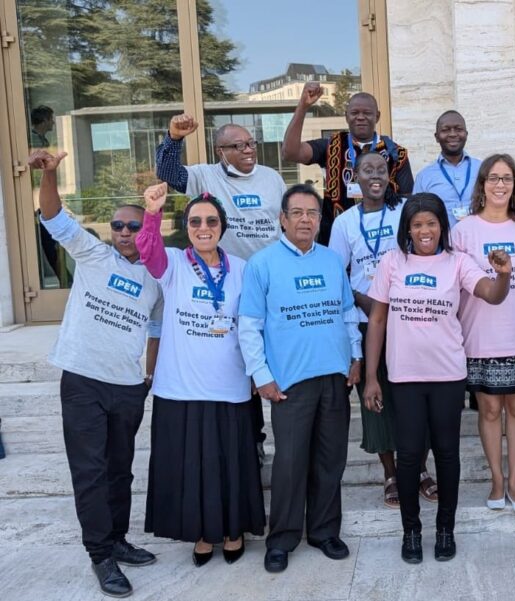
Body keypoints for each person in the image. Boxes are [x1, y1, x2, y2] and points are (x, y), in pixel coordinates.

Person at [29, 150, 162, 598]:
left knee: (120, 469)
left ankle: (119, 539)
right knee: (90, 470)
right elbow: (53, 216)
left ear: (147, 231)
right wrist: (50, 173)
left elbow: (157, 332)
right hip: (83, 380)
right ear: (111, 231)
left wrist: (148, 379)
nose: (126, 232)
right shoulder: (91, 254)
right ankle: (100, 554)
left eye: (135, 226)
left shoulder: (156, 277)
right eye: (119, 226)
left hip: (128, 387)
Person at [363, 193, 513, 564]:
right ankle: (411, 532)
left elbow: (492, 295)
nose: (424, 230)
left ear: (442, 227)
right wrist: (371, 376)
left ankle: (446, 528)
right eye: (417, 225)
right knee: (410, 455)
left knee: (447, 454)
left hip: (447, 374)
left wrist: (504, 273)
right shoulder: (391, 262)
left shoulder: (458, 262)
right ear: (407, 230)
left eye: (431, 223)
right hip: (404, 376)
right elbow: (378, 320)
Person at [137, 184, 265, 567]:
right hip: (181, 387)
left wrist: (259, 373)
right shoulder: (173, 263)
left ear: (222, 227)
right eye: (195, 222)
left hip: (230, 385)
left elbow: (255, 324)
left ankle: (232, 530)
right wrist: (153, 213)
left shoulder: (243, 269)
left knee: (231, 465)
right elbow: (147, 250)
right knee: (190, 466)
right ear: (187, 227)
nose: (203, 227)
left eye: (211, 221)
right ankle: (201, 533)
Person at [238, 184, 362, 574]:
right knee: (290, 463)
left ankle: (324, 531)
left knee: (331, 460)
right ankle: (283, 538)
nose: (306, 219)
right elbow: (249, 326)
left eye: (313, 213)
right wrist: (261, 376)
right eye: (298, 213)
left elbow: (346, 314)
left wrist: (355, 356)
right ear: (283, 219)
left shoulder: (331, 261)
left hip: (335, 378)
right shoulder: (262, 264)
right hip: (289, 384)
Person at [155, 113, 286, 458]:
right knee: (242, 358)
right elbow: (168, 173)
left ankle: (289, 434)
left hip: (269, 284)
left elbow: (283, 225)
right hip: (229, 284)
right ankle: (254, 440)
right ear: (220, 151)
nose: (248, 150)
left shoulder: (272, 178)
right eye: (238, 146)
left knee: (273, 356)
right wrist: (173, 138)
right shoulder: (205, 176)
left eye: (251, 143)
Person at [452, 154, 515, 513]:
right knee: (491, 409)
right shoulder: (464, 230)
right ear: (482, 184)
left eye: (507, 178)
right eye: (493, 178)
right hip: (480, 333)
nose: (499, 185)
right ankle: (496, 481)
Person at [329, 152, 425, 510]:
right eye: (367, 170)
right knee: (377, 401)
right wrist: (362, 300)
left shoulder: (403, 212)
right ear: (354, 175)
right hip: (368, 319)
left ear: (390, 175)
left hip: (411, 317)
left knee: (414, 399)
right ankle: (390, 472)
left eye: (381, 171)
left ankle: (418, 469)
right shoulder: (344, 223)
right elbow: (337, 275)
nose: (374, 176)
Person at [281, 82, 414, 244]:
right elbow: (290, 153)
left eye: (367, 113)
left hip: (383, 239)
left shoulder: (396, 153)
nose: (360, 117)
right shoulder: (332, 145)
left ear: (377, 116)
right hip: (337, 237)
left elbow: (408, 201)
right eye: (354, 113)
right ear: (346, 116)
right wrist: (303, 106)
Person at [413, 110, 481, 227]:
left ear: (466, 134)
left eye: (458, 129)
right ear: (436, 137)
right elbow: (415, 216)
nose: (453, 134)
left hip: (479, 240)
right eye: (446, 130)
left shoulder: (483, 169)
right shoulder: (424, 177)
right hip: (442, 243)